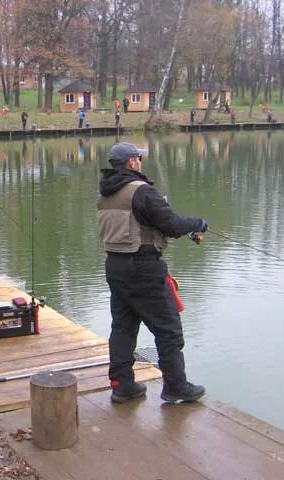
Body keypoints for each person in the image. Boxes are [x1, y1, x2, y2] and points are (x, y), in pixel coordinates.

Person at [97, 142, 208, 404]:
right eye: (138, 158)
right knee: (168, 330)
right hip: (144, 268)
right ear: (131, 163)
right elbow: (171, 225)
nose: (141, 162)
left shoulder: (104, 194)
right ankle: (176, 387)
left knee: (122, 328)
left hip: (115, 267)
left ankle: (122, 386)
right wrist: (197, 223)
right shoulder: (142, 192)